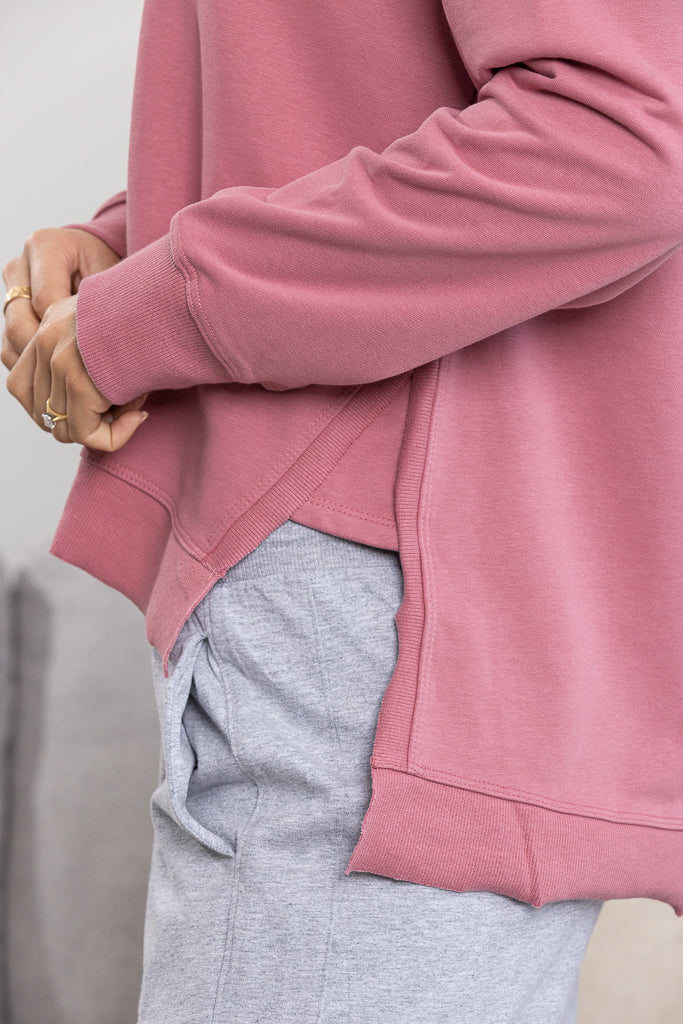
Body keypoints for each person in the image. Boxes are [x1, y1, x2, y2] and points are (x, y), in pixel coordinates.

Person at [2, 0, 682, 1020]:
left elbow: (614, 138)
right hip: (372, 563)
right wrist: (143, 240)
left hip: (380, 593)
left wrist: (179, 296)